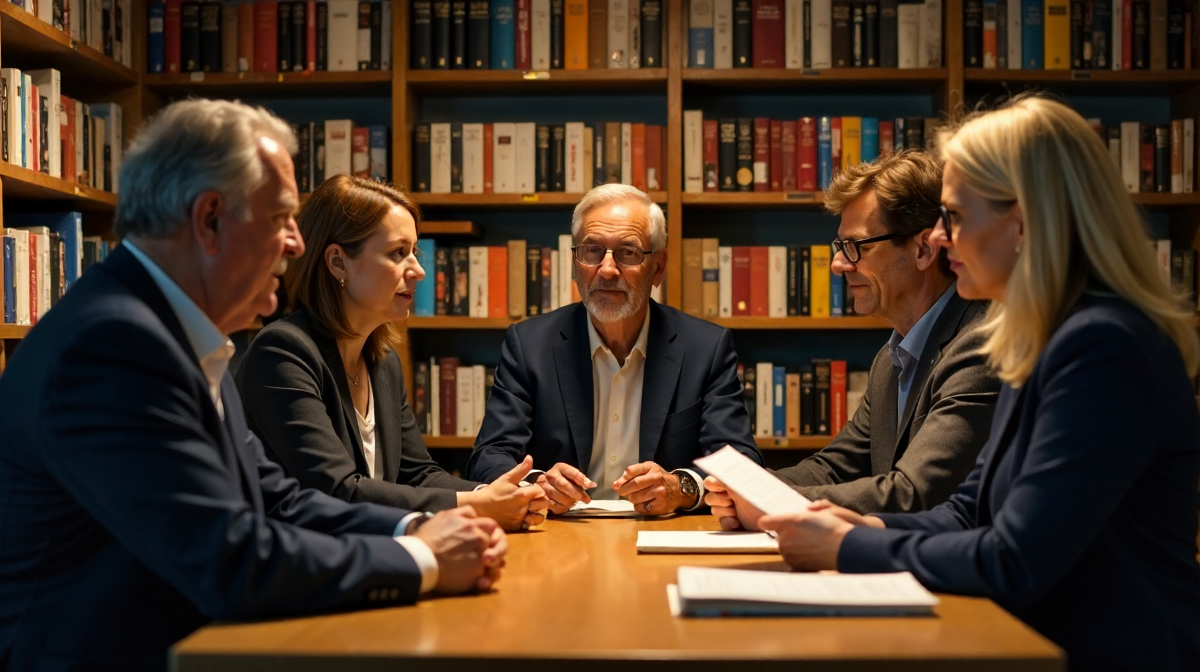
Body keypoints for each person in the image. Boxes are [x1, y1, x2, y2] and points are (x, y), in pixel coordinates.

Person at [0, 100, 508, 671]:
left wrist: (418, 523)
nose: (296, 244)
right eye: (280, 218)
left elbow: (276, 498)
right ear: (210, 219)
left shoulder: (178, 335)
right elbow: (230, 556)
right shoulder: (115, 344)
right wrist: (423, 558)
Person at [753, 97, 1200, 670]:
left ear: (1023, 222)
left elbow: (1015, 558)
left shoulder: (1103, 346)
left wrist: (848, 545)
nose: (938, 238)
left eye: (955, 216)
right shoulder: (1037, 336)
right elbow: (969, 511)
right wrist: (864, 523)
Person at [237, 175, 548, 532]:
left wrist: (508, 494)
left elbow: (417, 474)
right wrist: (479, 505)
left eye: (414, 252)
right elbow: (336, 491)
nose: (419, 270)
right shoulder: (282, 353)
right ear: (338, 262)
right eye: (397, 253)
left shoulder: (383, 361)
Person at [706, 151, 1001, 525]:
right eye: (840, 246)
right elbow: (835, 467)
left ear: (924, 249)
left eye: (856, 247)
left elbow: (917, 494)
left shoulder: (978, 347)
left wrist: (770, 503)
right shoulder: (890, 358)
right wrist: (740, 491)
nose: (838, 264)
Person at [466, 184, 763, 516]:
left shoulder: (706, 348)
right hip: (559, 535)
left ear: (658, 267)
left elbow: (740, 463)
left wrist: (680, 487)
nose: (607, 269)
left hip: (662, 533)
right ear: (575, 261)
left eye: (628, 252)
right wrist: (535, 484)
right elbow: (489, 456)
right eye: (592, 250)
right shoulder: (529, 345)